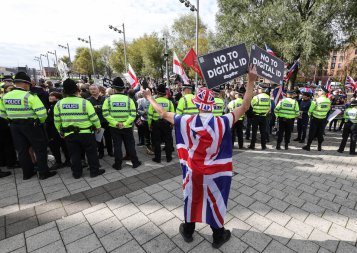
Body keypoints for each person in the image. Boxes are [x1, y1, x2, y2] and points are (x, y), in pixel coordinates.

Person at [142, 64, 257, 249]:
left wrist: (149, 97)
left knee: (192, 197)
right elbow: (244, 106)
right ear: (213, 105)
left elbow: (162, 113)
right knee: (216, 199)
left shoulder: (186, 120)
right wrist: (251, 80)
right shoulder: (223, 120)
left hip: (194, 169)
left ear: (196, 104)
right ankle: (218, 235)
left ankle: (188, 230)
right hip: (217, 171)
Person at [0, 72, 56, 180]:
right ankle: (43, 172)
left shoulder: (5, 97)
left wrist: (12, 120)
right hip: (31, 125)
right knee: (40, 149)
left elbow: (2, 113)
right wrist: (39, 122)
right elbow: (42, 113)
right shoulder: (29, 96)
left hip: (14, 126)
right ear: (26, 84)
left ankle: (27, 173)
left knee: (22, 150)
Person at [54, 78, 105, 179]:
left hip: (69, 134)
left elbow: (57, 120)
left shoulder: (59, 104)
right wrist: (98, 127)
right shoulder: (85, 102)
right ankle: (94, 171)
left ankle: (77, 173)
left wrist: (60, 130)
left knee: (74, 154)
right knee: (91, 153)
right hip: (86, 133)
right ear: (77, 90)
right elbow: (93, 117)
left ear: (63, 91)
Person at [102, 77, 142, 170]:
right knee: (130, 145)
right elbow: (133, 114)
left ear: (114, 89)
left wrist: (116, 123)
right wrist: (125, 123)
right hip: (127, 127)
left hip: (114, 127)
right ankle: (135, 162)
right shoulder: (129, 100)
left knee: (117, 146)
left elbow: (105, 113)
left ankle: (118, 164)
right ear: (123, 88)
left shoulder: (108, 100)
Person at [148, 84, 175, 163]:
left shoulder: (154, 102)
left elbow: (150, 115)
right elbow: (173, 114)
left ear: (158, 92)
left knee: (156, 141)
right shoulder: (169, 102)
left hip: (156, 124)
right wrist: (172, 124)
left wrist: (149, 125)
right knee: (168, 141)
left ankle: (158, 158)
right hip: (167, 124)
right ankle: (169, 157)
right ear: (165, 93)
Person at [88, 84, 113, 158]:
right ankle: (101, 152)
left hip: (106, 121)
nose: (93, 90)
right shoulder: (88, 100)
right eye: (91, 89)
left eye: (94, 89)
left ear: (98, 90)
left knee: (108, 138)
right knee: (99, 139)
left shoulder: (105, 99)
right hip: (96, 123)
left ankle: (110, 151)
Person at [303, 87, 331, 151]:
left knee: (312, 133)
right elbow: (328, 109)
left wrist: (310, 116)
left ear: (322, 93)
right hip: (323, 119)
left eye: (319, 91)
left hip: (315, 118)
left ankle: (308, 146)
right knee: (320, 133)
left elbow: (310, 111)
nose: (318, 92)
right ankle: (319, 147)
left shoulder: (316, 100)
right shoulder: (328, 100)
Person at [46, 92, 70, 169]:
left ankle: (61, 162)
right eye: (49, 95)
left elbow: (51, 119)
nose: (50, 97)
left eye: (52, 96)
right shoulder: (52, 106)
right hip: (57, 129)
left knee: (58, 147)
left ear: (58, 98)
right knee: (61, 146)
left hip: (56, 130)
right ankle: (66, 161)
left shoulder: (56, 106)